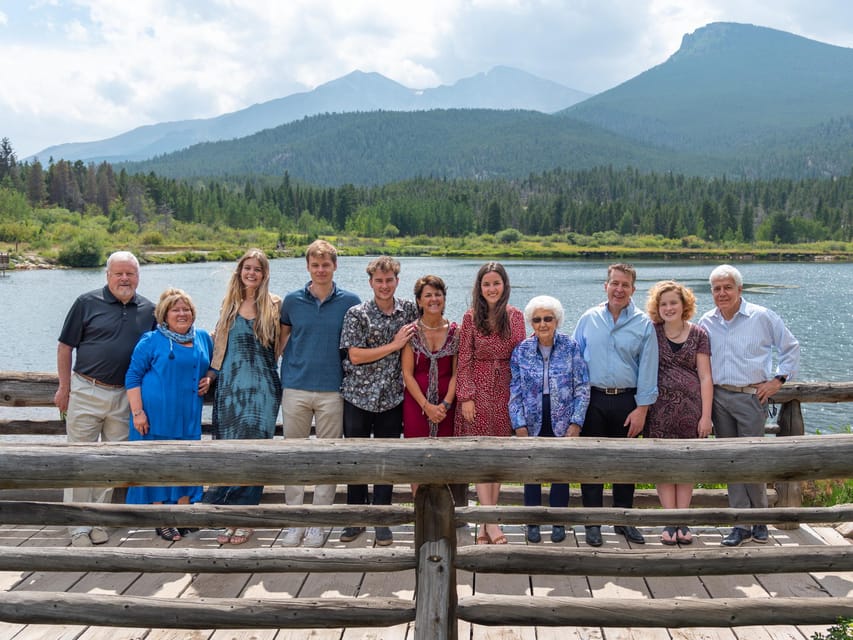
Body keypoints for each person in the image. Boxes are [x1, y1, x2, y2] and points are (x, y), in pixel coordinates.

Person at [54, 250, 156, 547]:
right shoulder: (87, 303)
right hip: (86, 389)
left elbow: (157, 352)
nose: (125, 278)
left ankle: (98, 520)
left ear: (138, 276)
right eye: (118, 273)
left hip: (125, 395)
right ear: (107, 276)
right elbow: (64, 347)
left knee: (111, 463)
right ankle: (76, 525)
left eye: (130, 273)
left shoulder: (149, 309)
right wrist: (64, 388)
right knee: (79, 459)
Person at [699, 264, 800, 547]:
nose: (722, 293)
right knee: (730, 463)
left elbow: (790, 348)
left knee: (752, 460)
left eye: (727, 287)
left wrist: (778, 380)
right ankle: (740, 524)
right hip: (719, 397)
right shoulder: (707, 321)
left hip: (751, 398)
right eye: (716, 288)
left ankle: (760, 521)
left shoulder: (762, 316)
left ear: (739, 289)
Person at [278, 240, 360, 548]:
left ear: (335, 266)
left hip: (333, 389)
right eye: (315, 265)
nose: (321, 269)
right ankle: (294, 521)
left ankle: (319, 522)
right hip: (296, 386)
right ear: (308, 267)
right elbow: (281, 342)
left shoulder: (350, 301)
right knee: (293, 456)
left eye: (326, 264)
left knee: (328, 458)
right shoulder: (291, 301)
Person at [572, 263, 658, 547]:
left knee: (626, 464)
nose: (619, 289)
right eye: (614, 283)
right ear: (605, 286)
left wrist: (642, 408)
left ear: (633, 289)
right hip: (592, 399)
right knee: (591, 464)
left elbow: (648, 368)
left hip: (627, 401)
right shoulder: (588, 319)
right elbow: (574, 361)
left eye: (625, 285)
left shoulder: (643, 324)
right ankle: (593, 523)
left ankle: (624, 520)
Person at [204, 249, 282, 545]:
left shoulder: (275, 304)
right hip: (231, 389)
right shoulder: (230, 305)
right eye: (247, 268)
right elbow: (219, 346)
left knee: (255, 454)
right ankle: (229, 518)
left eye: (257, 269)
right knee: (230, 453)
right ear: (240, 272)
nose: (251, 273)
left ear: (264, 274)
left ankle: (246, 518)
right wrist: (210, 375)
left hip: (262, 389)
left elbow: (284, 345)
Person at [338, 256, 418, 546]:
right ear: (371, 282)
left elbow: (434, 317)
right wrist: (395, 345)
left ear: (397, 280)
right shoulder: (357, 313)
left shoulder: (409, 310)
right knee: (356, 459)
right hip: (358, 396)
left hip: (392, 397)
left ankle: (382, 519)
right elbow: (355, 355)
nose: (384, 286)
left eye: (389, 280)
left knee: (386, 460)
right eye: (379, 281)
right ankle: (356, 517)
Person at [125, 288, 213, 542]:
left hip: (187, 414)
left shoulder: (203, 338)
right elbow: (133, 376)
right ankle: (162, 518)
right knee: (157, 464)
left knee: (186, 462)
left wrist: (209, 378)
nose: (182, 313)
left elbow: (213, 367)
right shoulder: (151, 340)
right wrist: (138, 413)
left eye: (186, 309)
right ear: (164, 314)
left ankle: (184, 514)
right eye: (176, 309)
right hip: (154, 416)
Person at [455, 262, 526, 545]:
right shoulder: (471, 317)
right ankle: (493, 521)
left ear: (504, 285)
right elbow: (464, 360)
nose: (492, 288)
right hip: (479, 392)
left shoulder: (516, 316)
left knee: (498, 459)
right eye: (487, 284)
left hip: (506, 391)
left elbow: (521, 358)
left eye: (496, 283)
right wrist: (466, 396)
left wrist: (518, 398)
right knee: (483, 457)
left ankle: (486, 524)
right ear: (480, 288)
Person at [510, 295, 590, 544]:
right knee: (531, 472)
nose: (543, 324)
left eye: (548, 318)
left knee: (560, 472)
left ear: (557, 320)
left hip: (563, 417)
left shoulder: (570, 346)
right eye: (537, 319)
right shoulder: (522, 350)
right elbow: (514, 390)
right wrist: (519, 424)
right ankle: (532, 522)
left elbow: (583, 386)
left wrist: (576, 422)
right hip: (532, 416)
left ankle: (558, 522)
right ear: (530, 322)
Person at [644, 281, 713, 545]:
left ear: (684, 305)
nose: (669, 307)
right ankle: (669, 521)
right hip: (658, 411)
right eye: (663, 304)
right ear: (657, 307)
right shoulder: (651, 331)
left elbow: (706, 377)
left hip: (691, 411)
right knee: (662, 465)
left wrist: (706, 416)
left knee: (686, 466)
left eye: (674, 302)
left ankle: (682, 520)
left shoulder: (699, 334)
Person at [401, 275, 466, 504]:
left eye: (438, 294)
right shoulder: (411, 332)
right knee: (417, 458)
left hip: (446, 405)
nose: (434, 299)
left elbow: (458, 372)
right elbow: (407, 374)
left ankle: (443, 512)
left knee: (445, 458)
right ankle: (420, 510)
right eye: (428, 295)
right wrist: (426, 406)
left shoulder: (456, 332)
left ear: (444, 299)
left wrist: (445, 404)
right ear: (419, 301)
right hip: (416, 404)